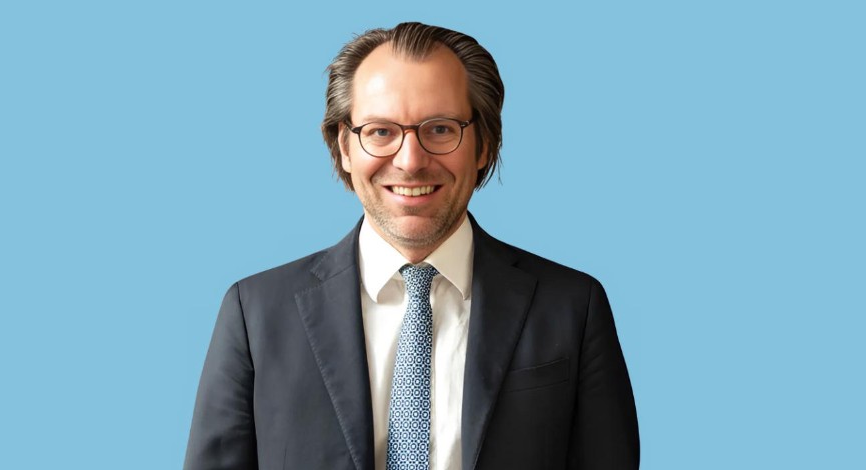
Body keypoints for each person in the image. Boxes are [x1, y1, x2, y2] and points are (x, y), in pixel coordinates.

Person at [184, 22, 639, 470]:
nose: (411, 161)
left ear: (484, 144)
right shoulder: (255, 313)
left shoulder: (572, 308)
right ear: (345, 147)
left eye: (440, 129)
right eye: (380, 131)